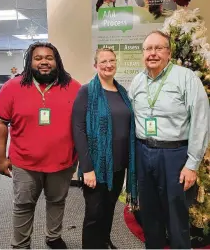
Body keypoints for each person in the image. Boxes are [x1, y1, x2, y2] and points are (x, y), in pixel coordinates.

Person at [128, 31, 209, 249]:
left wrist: (192, 164)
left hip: (175, 156)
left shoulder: (186, 78)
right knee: (149, 213)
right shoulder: (137, 81)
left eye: (158, 48)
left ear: (169, 52)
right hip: (143, 153)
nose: (152, 53)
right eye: (148, 49)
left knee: (176, 216)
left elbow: (200, 121)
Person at [0, 42, 81, 249]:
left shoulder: (74, 87)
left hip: (62, 161)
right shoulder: (12, 87)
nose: (44, 62)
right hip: (24, 162)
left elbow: (83, 123)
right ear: (30, 62)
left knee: (57, 201)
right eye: (38, 58)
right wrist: (0, 158)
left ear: (57, 61)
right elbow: (0, 122)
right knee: (24, 205)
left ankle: (53, 237)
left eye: (49, 58)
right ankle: (21, 244)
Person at [72, 48, 137, 249]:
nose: (108, 65)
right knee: (94, 213)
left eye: (112, 60)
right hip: (96, 166)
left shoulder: (122, 92)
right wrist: (87, 167)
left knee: (109, 208)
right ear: (95, 66)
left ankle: (104, 240)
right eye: (103, 62)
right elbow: (78, 129)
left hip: (118, 166)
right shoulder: (87, 91)